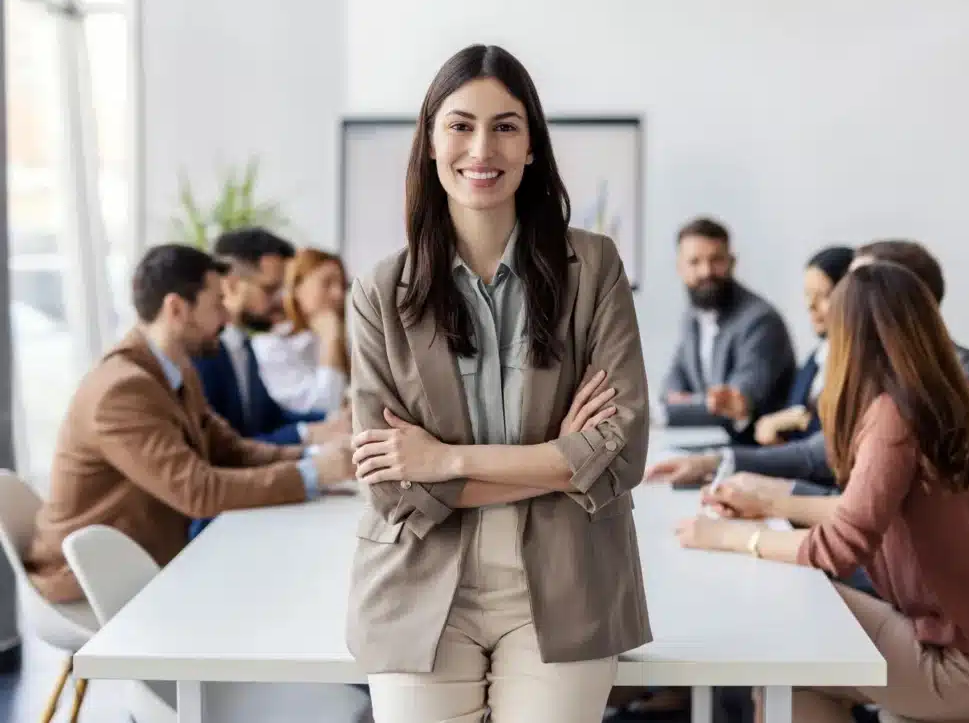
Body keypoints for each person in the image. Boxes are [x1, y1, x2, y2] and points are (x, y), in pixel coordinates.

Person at [345, 44, 651, 723]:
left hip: (565, 585)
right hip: (418, 588)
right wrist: (562, 460)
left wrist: (447, 459)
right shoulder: (378, 291)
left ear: (532, 145)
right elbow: (394, 486)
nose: (482, 147)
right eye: (460, 124)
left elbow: (621, 451)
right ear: (430, 140)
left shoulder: (592, 267)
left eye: (506, 126)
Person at [678, 260, 969, 723]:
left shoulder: (892, 417)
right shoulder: (940, 402)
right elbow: (861, 510)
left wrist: (727, 538)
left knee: (794, 631)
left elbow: (842, 545)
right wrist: (771, 501)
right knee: (799, 655)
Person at [24, 244, 355, 603]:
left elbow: (230, 450)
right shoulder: (121, 390)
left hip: (142, 555)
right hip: (92, 579)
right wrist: (315, 474)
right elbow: (199, 492)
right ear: (177, 309)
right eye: (216, 304)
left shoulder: (175, 370)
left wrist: (315, 456)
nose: (228, 319)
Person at [647, 239, 969, 510]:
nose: (840, 305)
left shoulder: (950, 385)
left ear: (903, 299)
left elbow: (855, 507)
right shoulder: (896, 375)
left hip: (927, 580)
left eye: (852, 289)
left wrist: (767, 500)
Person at [195, 228, 350, 445]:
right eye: (270, 290)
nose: (282, 300)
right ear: (231, 285)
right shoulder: (205, 353)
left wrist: (330, 424)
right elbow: (228, 448)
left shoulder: (243, 347)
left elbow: (271, 419)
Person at [661, 217, 795, 442]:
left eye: (716, 260)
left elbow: (737, 400)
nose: (706, 272)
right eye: (694, 262)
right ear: (680, 268)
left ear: (732, 262)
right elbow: (675, 379)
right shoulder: (693, 314)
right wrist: (675, 397)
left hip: (755, 450)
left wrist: (682, 405)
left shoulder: (760, 320)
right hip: (709, 442)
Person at [751, 245, 853, 446]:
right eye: (808, 294)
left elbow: (841, 437)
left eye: (823, 295)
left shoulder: (861, 365)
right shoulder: (815, 359)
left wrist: (802, 421)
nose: (810, 305)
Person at [251, 248, 351, 413]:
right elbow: (325, 407)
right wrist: (330, 340)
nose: (338, 294)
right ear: (296, 287)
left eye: (343, 286)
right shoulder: (270, 346)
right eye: (327, 283)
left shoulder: (345, 343)